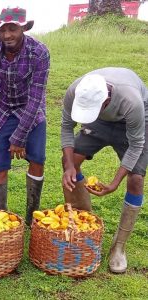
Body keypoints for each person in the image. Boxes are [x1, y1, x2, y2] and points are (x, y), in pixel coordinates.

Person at [61, 67, 148, 273]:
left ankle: (119, 247)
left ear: (106, 100)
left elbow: (136, 145)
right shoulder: (76, 91)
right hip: (100, 119)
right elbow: (66, 127)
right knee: (69, 161)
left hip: (135, 118)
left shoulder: (131, 101)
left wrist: (114, 183)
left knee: (136, 179)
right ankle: (85, 226)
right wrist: (70, 167)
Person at [0, 7, 50, 225]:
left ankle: (30, 219)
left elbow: (36, 98)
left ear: (23, 28)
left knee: (36, 160)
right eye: (3, 30)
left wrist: (19, 137)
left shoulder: (39, 52)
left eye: (12, 29)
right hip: (2, 110)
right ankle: (1, 220)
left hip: (31, 110)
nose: (7, 35)